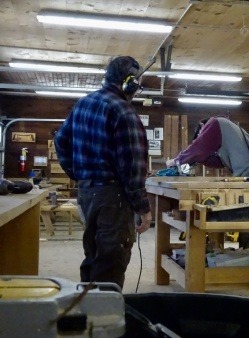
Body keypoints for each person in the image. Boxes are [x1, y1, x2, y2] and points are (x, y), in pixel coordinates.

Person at [54, 56, 152, 290]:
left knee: (94, 253)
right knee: (111, 260)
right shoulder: (124, 112)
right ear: (128, 83)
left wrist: (79, 175)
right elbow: (133, 167)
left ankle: (87, 308)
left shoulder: (83, 104)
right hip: (113, 198)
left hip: (88, 193)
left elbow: (61, 141)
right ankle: (103, 321)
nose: (137, 90)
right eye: (137, 84)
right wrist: (143, 209)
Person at [166, 115, 249, 248]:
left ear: (202, 127)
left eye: (200, 136)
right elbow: (218, 162)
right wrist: (197, 159)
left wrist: (176, 161)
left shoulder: (215, 123)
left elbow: (199, 147)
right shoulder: (227, 129)